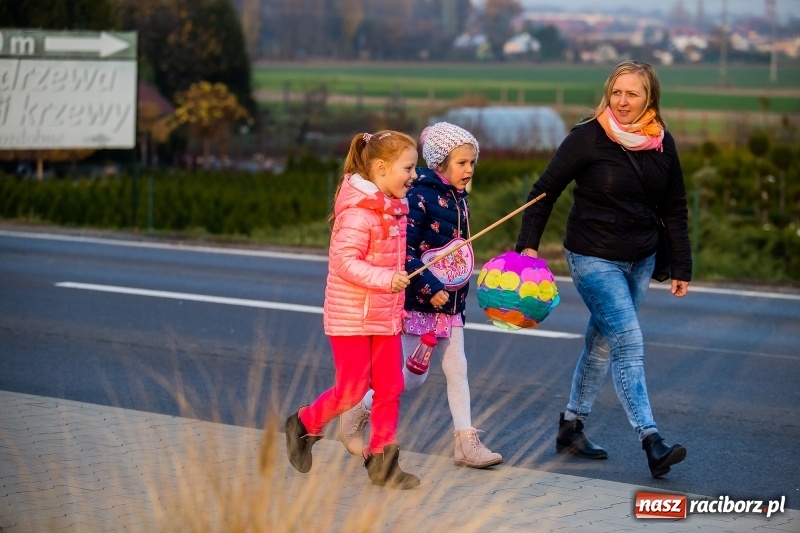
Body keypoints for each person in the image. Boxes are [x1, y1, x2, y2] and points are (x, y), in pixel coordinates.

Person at [515, 60, 691, 478]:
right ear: (608, 94)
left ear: (650, 98)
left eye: (633, 93)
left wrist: (681, 264)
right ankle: (652, 440)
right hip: (592, 255)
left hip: (641, 257)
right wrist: (527, 248)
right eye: (617, 92)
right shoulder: (588, 137)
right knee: (628, 341)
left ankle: (571, 427)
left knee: (602, 342)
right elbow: (544, 191)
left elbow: (674, 208)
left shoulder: (662, 143)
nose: (623, 101)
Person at [339, 122, 503, 469]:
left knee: (457, 367)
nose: (469, 170)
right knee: (411, 378)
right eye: (462, 163)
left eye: (473, 162)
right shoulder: (418, 197)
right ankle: (361, 407)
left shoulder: (461, 200)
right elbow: (404, 252)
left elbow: (456, 252)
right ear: (440, 163)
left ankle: (465, 442)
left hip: (451, 304)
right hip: (418, 302)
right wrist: (430, 287)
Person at [284, 130, 421, 489]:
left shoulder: (395, 210)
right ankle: (304, 424)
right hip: (351, 318)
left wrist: (394, 294)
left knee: (391, 386)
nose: (414, 175)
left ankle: (382, 461)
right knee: (351, 390)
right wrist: (386, 279)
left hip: (383, 315)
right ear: (380, 167)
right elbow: (344, 262)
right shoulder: (359, 212)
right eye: (408, 168)